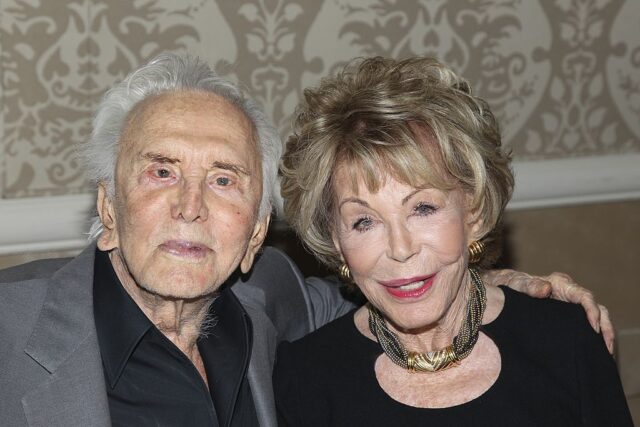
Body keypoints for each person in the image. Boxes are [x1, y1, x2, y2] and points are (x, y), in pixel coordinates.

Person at [0, 53, 615, 427]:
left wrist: (494, 281)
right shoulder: (10, 332)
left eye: (224, 180)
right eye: (161, 171)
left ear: (257, 232)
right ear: (108, 203)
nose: (190, 208)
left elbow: (399, 280)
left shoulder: (272, 301)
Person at [275, 56, 632, 426]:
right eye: (365, 221)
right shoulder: (303, 381)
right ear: (336, 239)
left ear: (473, 212)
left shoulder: (565, 341)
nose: (400, 248)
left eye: (423, 208)